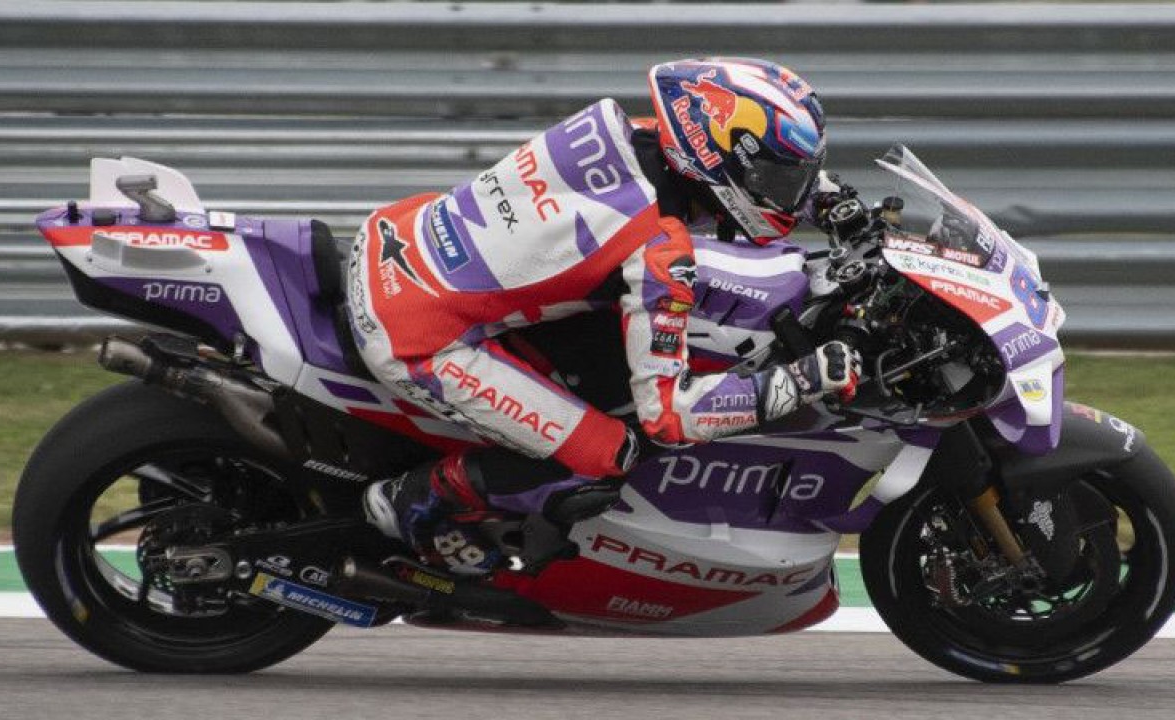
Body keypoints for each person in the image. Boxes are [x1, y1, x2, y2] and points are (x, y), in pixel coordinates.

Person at [348, 57, 861, 575]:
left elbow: (726, 181)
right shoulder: (659, 249)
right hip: (416, 336)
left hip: (395, 237)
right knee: (610, 454)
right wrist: (802, 380)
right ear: (713, 156)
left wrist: (827, 199)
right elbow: (670, 416)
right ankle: (413, 501)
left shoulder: (626, 130)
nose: (788, 194)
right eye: (778, 178)